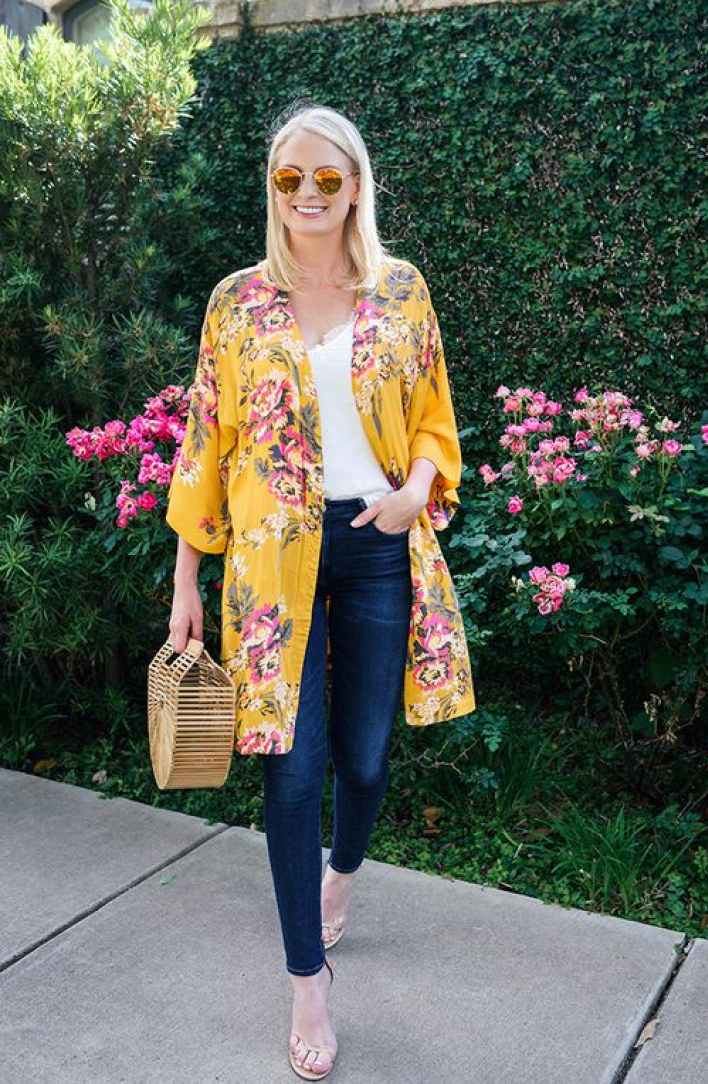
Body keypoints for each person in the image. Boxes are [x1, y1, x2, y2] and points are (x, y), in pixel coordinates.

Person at [166, 103, 476, 1079]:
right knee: (290, 773)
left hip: (375, 544)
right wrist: (185, 575)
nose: (305, 195)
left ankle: (343, 873)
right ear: (272, 189)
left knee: (367, 759)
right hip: (267, 565)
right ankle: (307, 978)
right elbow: (203, 443)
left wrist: (416, 489)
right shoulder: (236, 302)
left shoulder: (400, 291)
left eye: (325, 179)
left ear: (355, 185)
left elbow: (433, 420)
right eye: (288, 179)